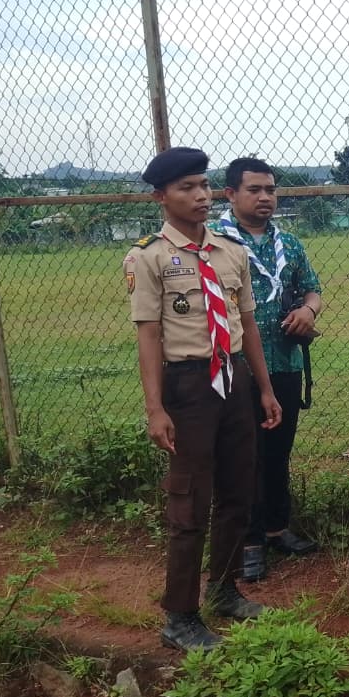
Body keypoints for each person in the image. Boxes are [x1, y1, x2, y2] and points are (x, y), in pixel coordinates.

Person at [124, 147, 283, 652]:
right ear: (161, 196)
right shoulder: (148, 257)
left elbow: (248, 323)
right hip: (188, 385)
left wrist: (263, 387)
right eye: (187, 188)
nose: (201, 195)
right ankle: (180, 616)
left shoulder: (229, 251)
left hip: (234, 377)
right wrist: (156, 408)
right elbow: (148, 335)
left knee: (239, 490)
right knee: (190, 502)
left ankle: (224, 589)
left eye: (204, 185)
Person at [216, 157, 324, 583]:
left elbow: (313, 287)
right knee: (245, 456)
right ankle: (248, 540)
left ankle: (278, 527)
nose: (265, 197)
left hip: (285, 361)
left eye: (271, 190)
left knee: (278, 452)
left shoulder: (290, 243)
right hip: (234, 366)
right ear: (230, 194)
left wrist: (307, 310)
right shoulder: (214, 243)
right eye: (255, 190)